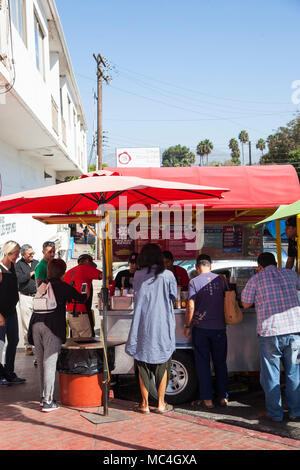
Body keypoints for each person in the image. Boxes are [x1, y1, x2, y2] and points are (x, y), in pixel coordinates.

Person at [242, 252, 300, 423]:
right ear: (275, 262)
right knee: (294, 373)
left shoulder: (257, 279)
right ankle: (296, 411)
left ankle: (276, 414)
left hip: (270, 332)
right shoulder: (290, 274)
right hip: (294, 330)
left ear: (260, 266)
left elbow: (245, 303)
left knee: (271, 375)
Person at [27, 258, 87, 412]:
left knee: (42, 363)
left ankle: (43, 397)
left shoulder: (42, 285)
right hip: (51, 328)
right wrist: (86, 290)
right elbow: (81, 298)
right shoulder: (63, 286)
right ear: (63, 272)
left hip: (36, 325)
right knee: (50, 363)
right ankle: (48, 401)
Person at [125, 243, 177, 414]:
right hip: (162, 324)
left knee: (142, 362)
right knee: (163, 362)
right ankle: (161, 404)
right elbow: (174, 297)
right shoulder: (168, 275)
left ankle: (145, 404)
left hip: (143, 323)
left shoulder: (138, 275)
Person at [184, 254, 228, 409]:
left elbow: (190, 305)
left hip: (201, 328)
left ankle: (207, 399)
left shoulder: (194, 282)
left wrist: (188, 326)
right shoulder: (221, 280)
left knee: (203, 364)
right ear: (211, 265)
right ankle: (223, 397)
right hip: (220, 328)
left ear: (197, 267)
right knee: (220, 363)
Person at [0, 241, 26, 386]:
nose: (17, 256)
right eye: (16, 253)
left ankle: (9, 372)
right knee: (0, 344)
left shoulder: (13, 267)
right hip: (1, 314)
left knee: (14, 340)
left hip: (11, 311)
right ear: (8, 253)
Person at [64, 254, 102, 338]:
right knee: (87, 340)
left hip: (70, 313)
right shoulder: (86, 268)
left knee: (76, 342)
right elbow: (103, 276)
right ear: (87, 261)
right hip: (80, 311)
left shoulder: (69, 272)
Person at [15, 244, 39, 356]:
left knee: (38, 321)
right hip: (25, 296)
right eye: (30, 254)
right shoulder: (18, 265)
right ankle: (28, 346)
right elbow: (19, 279)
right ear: (23, 255)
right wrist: (31, 274)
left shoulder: (36, 263)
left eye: (33, 253)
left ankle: (38, 344)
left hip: (37, 296)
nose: (32, 255)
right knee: (27, 322)